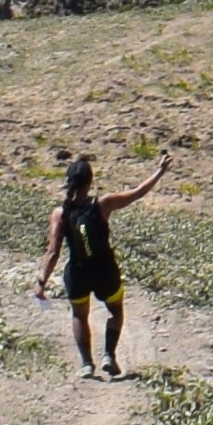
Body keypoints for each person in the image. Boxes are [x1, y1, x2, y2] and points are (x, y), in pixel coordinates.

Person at [33, 149, 166, 379]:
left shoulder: (60, 213)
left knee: (79, 315)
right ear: (90, 181)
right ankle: (108, 356)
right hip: (105, 271)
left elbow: (53, 251)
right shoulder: (103, 204)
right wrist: (160, 171)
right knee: (115, 311)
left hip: (77, 274)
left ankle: (86, 364)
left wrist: (41, 282)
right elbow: (137, 193)